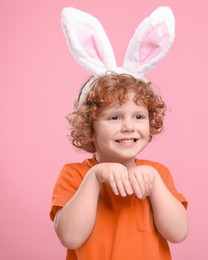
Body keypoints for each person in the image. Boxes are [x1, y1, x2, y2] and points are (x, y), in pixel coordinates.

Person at [50, 6, 188, 260]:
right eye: (114, 117)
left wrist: (155, 184)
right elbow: (69, 237)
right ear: (90, 128)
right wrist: (94, 177)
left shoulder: (158, 174)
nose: (128, 126)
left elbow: (178, 233)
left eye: (138, 116)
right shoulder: (75, 175)